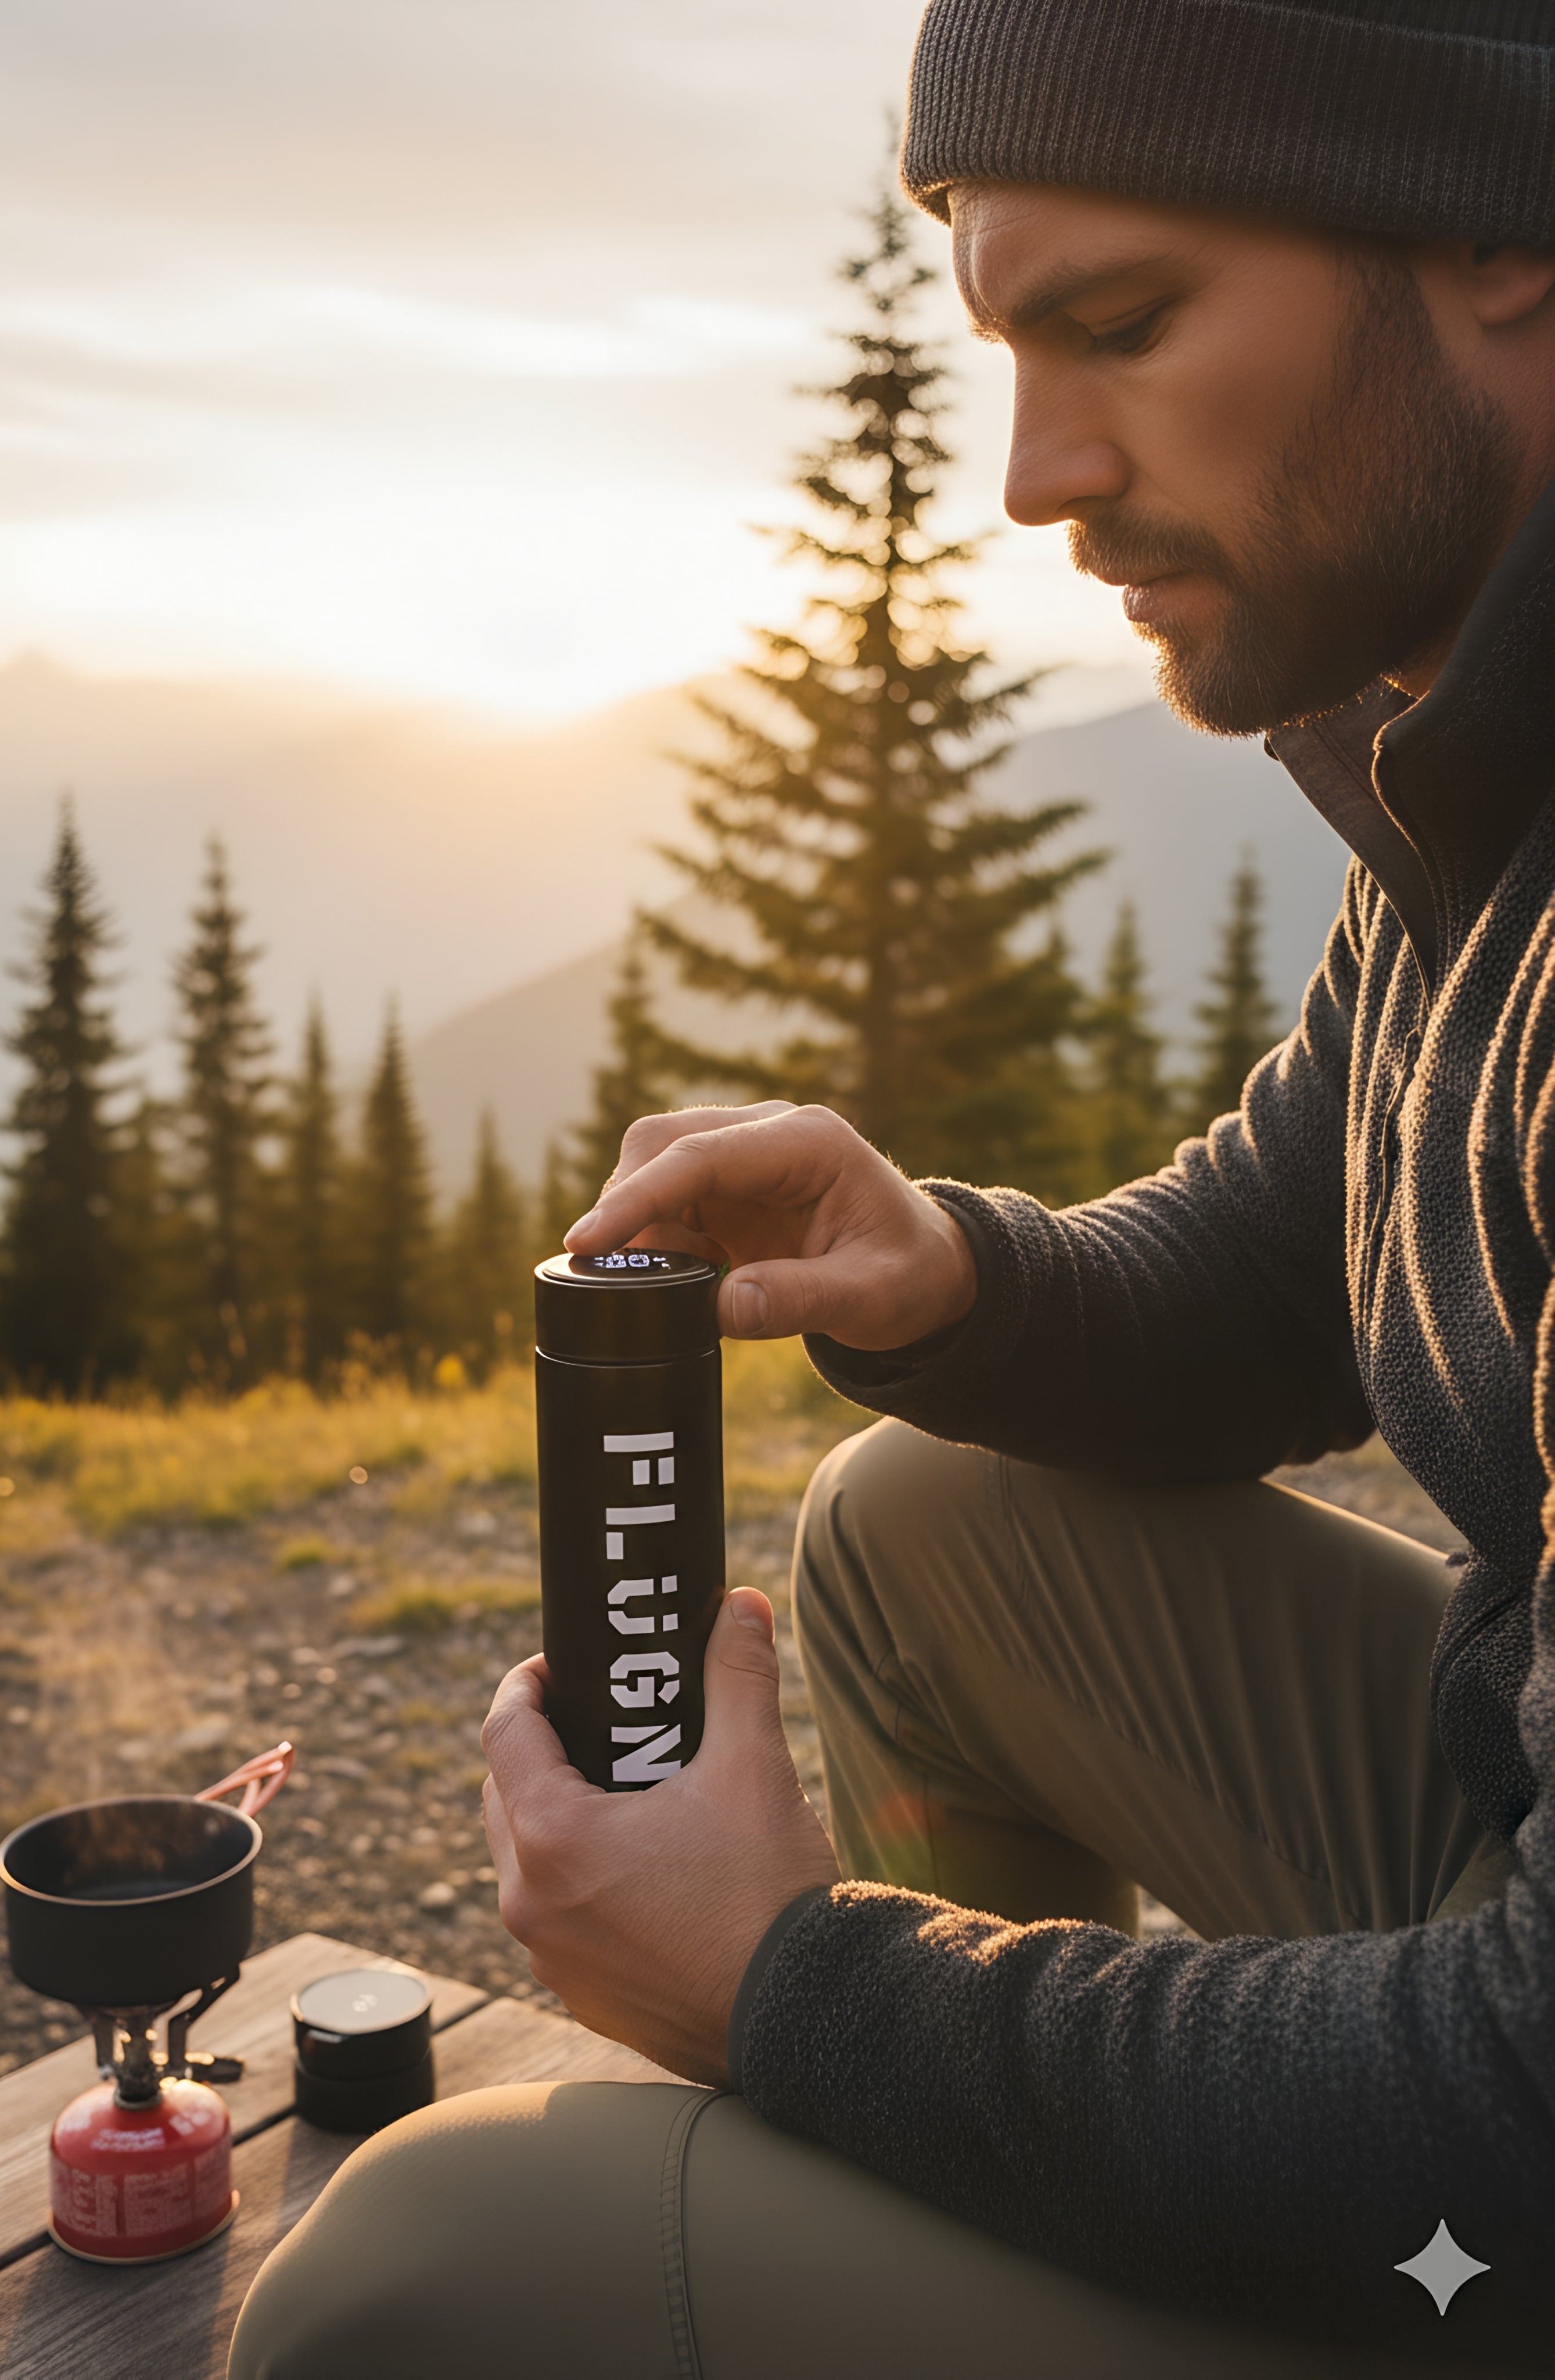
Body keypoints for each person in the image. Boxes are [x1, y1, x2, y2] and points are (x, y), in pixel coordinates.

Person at [229, 3, 1555, 2371]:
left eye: (1124, 325)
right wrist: (943, 1270)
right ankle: (1044, 2229)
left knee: (416, 2271)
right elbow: (1287, 1267)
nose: (1036, 476)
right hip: (1503, 1837)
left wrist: (795, 1987)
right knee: (915, 1515)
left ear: (1502, 231)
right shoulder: (1464, 749)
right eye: (1005, 349)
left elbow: (1517, 2106)